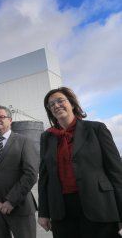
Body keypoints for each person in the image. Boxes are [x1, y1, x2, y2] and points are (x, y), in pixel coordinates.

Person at [38, 87, 122, 238]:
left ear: (72, 104)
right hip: (62, 211)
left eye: (60, 101)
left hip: (99, 206)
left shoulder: (96, 129)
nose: (56, 106)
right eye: (51, 105)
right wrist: (43, 213)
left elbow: (116, 172)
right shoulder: (47, 137)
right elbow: (44, 177)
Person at [0, 106, 38, 238]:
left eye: (1, 117)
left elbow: (31, 174)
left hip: (20, 207)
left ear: (10, 120)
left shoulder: (24, 141)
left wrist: (11, 201)